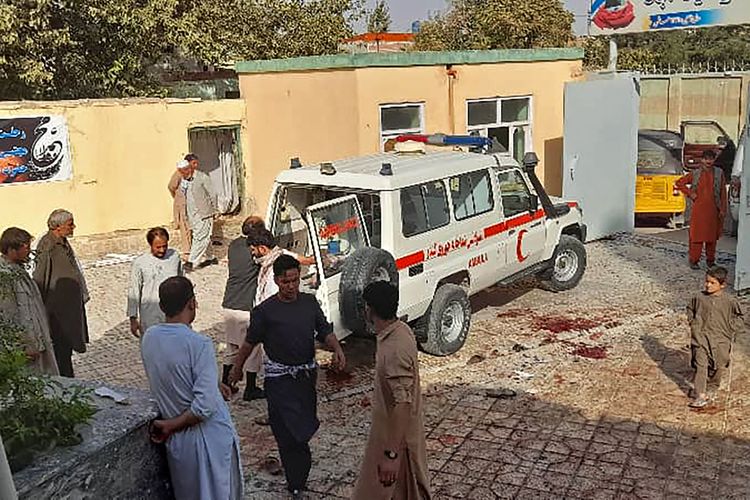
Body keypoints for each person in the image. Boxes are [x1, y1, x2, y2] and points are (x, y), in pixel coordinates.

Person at [228, 254, 346, 498]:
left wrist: (338, 349)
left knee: (303, 428)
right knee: (287, 432)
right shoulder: (265, 311)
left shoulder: (309, 303)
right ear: (277, 280)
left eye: (295, 280)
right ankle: (296, 481)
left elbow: (325, 331)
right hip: (278, 381)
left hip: (305, 378)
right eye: (286, 282)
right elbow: (249, 343)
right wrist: (237, 368)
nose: (291, 286)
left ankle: (297, 472)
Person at [141, 276, 243, 500]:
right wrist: (171, 425)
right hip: (207, 441)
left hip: (180, 446)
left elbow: (174, 371)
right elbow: (203, 408)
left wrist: (212, 384)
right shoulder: (199, 344)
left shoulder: (149, 337)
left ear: (161, 306)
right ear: (192, 303)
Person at [352, 282, 431, 500]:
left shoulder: (394, 348)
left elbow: (403, 402)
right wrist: (377, 397)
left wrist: (391, 455)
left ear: (369, 309)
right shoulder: (400, 330)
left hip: (397, 440)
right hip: (392, 435)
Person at [33, 209, 89, 378]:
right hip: (57, 314)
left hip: (68, 311)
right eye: (70, 224)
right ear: (58, 227)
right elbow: (40, 280)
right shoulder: (48, 246)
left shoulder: (61, 242)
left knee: (66, 351)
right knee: (61, 352)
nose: (73, 227)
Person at [0, 227, 59, 375]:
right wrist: (24, 345)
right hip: (25, 347)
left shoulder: (17, 270)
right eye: (25, 248)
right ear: (12, 249)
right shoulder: (6, 278)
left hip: (37, 338)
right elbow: (9, 316)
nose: (28, 251)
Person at [221, 216, 266, 401]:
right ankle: (251, 387)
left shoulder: (233, 245)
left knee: (232, 346)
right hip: (245, 306)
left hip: (229, 302)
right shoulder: (253, 251)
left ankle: (225, 385)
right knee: (253, 348)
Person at [686, 266, 744, 408]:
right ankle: (700, 394)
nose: (708, 285)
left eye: (712, 283)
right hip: (701, 338)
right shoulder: (698, 297)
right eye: (707, 281)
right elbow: (690, 310)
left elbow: (740, 317)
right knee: (701, 365)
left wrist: (731, 328)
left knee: (719, 364)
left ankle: (713, 384)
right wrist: (693, 323)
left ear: (722, 285)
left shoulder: (730, 301)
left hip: (721, 340)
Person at [127, 227, 183, 339]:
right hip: (150, 314)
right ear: (150, 245)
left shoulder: (174, 257)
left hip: (172, 313)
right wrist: (133, 318)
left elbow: (181, 281)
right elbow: (134, 290)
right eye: (158, 247)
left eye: (165, 246)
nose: (162, 250)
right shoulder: (140, 263)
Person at [676, 150, 727, 270]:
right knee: (696, 237)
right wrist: (690, 193)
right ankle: (694, 260)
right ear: (702, 160)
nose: (708, 161)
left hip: (714, 210)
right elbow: (679, 183)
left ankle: (710, 261)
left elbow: (723, 192)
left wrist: (723, 209)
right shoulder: (695, 173)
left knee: (712, 238)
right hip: (699, 211)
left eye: (711, 159)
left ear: (714, 160)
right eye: (706, 159)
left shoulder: (719, 173)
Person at [181, 154, 219, 272]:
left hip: (204, 213)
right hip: (192, 214)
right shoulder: (185, 179)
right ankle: (211, 257)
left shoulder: (202, 177)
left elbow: (212, 194)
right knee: (202, 235)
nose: (195, 166)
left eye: (196, 163)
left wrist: (215, 209)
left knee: (200, 237)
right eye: (193, 163)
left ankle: (192, 262)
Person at [167, 163, 192, 260]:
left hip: (190, 203)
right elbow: (171, 186)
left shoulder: (192, 174)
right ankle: (187, 251)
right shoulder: (178, 174)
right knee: (184, 226)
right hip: (182, 203)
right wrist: (177, 195)